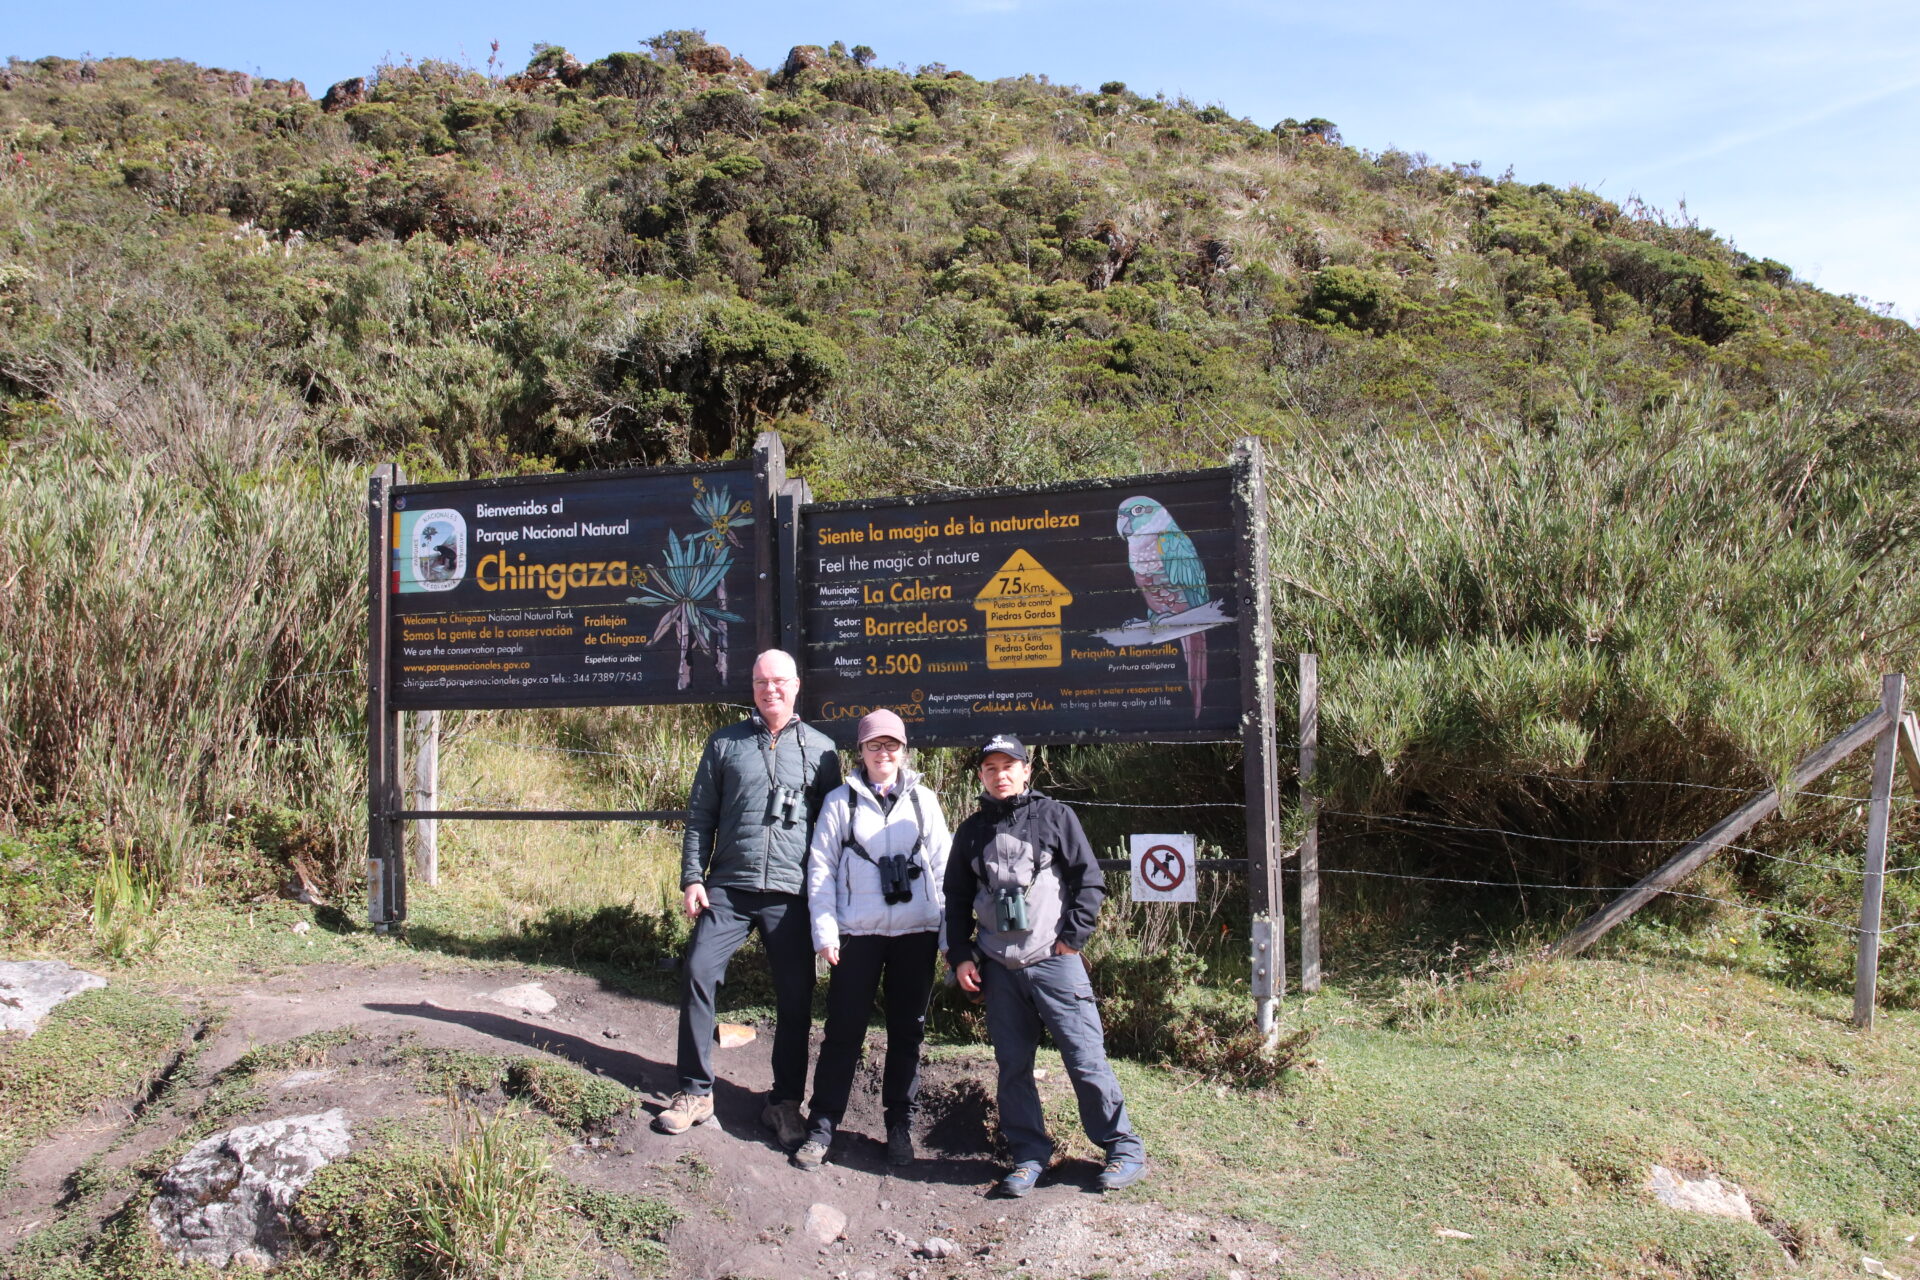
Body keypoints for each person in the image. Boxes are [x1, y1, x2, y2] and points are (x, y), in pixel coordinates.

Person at [943, 733, 1147, 1197]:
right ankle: (1029, 1156)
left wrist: (1071, 942)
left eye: (1009, 766)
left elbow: (1089, 883)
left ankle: (1123, 1149)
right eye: (991, 768)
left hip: (1055, 964)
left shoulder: (1057, 816)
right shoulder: (971, 830)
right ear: (981, 775)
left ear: (1027, 770)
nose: (1001, 775)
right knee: (1013, 1066)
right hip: (998, 969)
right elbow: (954, 899)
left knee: (1085, 1058)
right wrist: (960, 956)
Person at [655, 649, 842, 1148]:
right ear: (752, 686)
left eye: (779, 680)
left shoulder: (823, 751)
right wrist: (693, 878)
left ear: (797, 685)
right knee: (698, 971)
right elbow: (699, 817)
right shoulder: (724, 744)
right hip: (729, 888)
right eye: (761, 681)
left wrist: (830, 903)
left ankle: (783, 1103)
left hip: (791, 892)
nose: (769, 689)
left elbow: (833, 832)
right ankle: (695, 1092)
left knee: (797, 997)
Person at [791, 709, 952, 1172]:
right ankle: (822, 1126)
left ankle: (899, 1127)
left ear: (904, 750)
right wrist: (825, 932)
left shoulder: (925, 801)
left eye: (892, 745)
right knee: (842, 1032)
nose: (884, 754)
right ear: (859, 751)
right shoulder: (841, 802)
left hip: (915, 934)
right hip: (856, 935)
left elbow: (944, 869)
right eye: (874, 745)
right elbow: (819, 871)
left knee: (907, 1034)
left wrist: (948, 937)